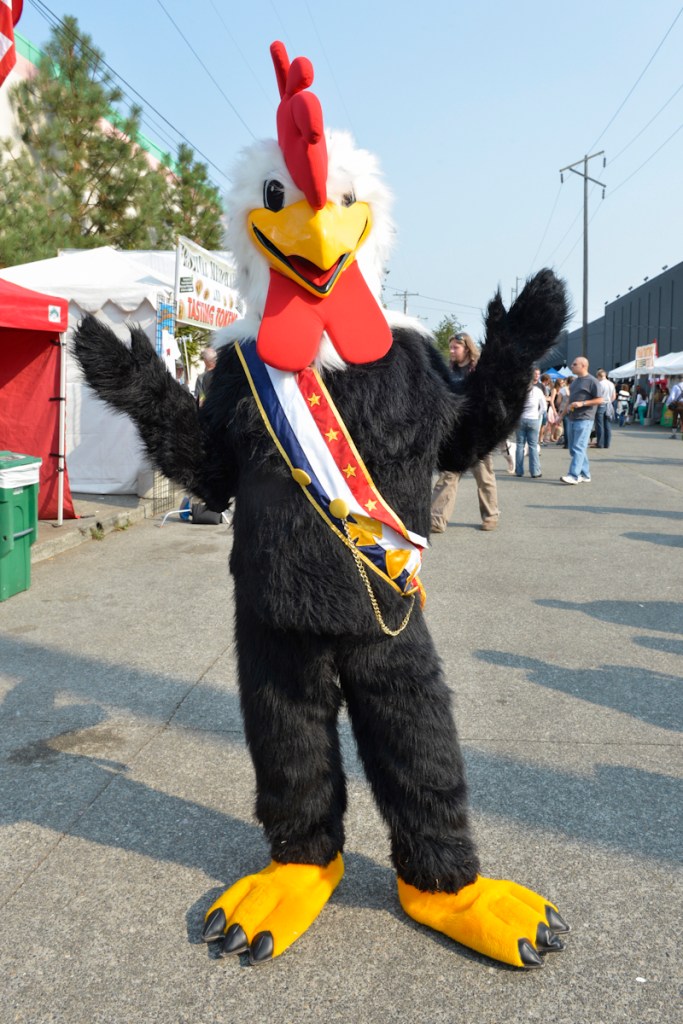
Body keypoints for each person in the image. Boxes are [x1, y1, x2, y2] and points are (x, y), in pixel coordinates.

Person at [431, 333, 500, 532]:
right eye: (451, 347)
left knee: (484, 476)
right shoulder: (448, 371)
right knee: (448, 476)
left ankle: (491, 516)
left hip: (478, 432)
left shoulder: (479, 371)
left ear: (467, 349)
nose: (451, 351)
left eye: (456, 348)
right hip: (454, 432)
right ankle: (436, 520)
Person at [559, 356, 601, 484]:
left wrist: (582, 403)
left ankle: (573, 475)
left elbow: (600, 399)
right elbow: (569, 401)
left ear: (583, 366)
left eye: (574, 364)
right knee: (574, 448)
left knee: (578, 447)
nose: (571, 366)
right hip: (572, 418)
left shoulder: (593, 381)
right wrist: (560, 416)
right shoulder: (575, 382)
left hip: (585, 418)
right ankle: (585, 474)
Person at [514, 372, 547, 477]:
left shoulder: (518, 391)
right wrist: (538, 414)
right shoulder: (537, 391)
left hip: (521, 419)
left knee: (520, 445)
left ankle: (519, 471)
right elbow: (544, 407)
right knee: (533, 446)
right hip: (533, 419)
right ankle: (535, 471)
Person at [594, 369, 616, 448]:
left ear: (599, 376)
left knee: (599, 425)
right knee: (607, 425)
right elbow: (614, 396)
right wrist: (609, 401)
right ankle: (607, 444)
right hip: (609, 405)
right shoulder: (611, 384)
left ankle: (600, 443)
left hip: (600, 405)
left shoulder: (599, 384)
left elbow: (597, 396)